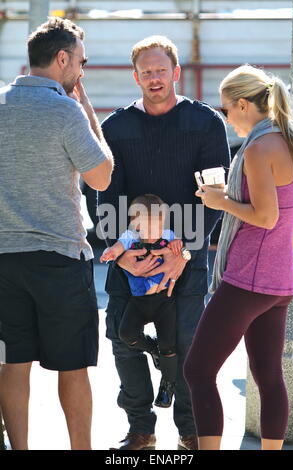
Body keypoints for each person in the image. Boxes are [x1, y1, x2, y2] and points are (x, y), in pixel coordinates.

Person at [98, 35, 230, 450]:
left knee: (190, 348)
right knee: (123, 343)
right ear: (135, 77)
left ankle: (190, 433)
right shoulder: (116, 128)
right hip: (130, 255)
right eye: (146, 72)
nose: (154, 78)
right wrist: (124, 259)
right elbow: (104, 197)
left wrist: (184, 253)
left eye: (161, 70)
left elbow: (215, 196)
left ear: (175, 73)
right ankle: (141, 429)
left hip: (185, 257)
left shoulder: (206, 123)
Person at [0, 17, 114, 450]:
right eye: (80, 63)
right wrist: (87, 111)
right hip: (59, 257)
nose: (81, 73)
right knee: (72, 367)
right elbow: (102, 177)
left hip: (4, 257)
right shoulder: (65, 109)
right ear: (62, 58)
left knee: (13, 364)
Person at [184, 64, 293, 450]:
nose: (226, 117)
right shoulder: (292, 141)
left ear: (244, 105)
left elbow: (265, 217)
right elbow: (290, 220)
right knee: (268, 375)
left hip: (248, 280)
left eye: (226, 109)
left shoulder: (258, 148)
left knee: (198, 370)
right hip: (279, 280)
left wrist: (221, 201)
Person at [101, 194, 183, 409]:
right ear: (136, 224)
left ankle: (168, 385)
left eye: (158, 224)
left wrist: (178, 248)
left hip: (164, 300)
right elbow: (118, 248)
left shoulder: (167, 235)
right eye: (148, 226)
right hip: (138, 300)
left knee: (169, 344)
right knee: (126, 334)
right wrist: (111, 253)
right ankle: (152, 348)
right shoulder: (130, 237)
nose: (155, 231)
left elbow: (180, 249)